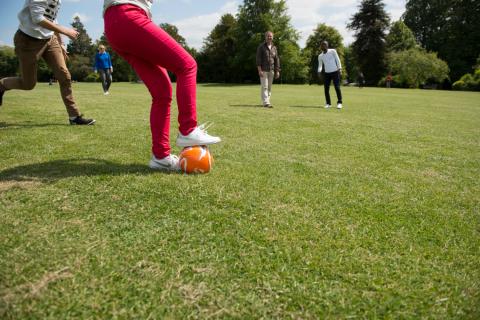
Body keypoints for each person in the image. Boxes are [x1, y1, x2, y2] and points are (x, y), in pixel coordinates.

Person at [103, 0, 221, 171]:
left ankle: (160, 157)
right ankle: (188, 129)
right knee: (187, 65)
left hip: (114, 26)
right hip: (127, 15)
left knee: (162, 91)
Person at [0, 0, 95, 125]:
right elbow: (38, 18)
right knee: (28, 84)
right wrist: (65, 31)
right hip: (28, 40)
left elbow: (51, 19)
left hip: (50, 39)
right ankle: (1, 85)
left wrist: (61, 43)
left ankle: (74, 117)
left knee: (64, 75)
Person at [256, 31, 280, 108]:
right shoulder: (261, 47)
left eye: (271, 36)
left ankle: (267, 101)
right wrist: (259, 70)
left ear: (272, 37)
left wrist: (277, 71)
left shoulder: (274, 48)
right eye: (268, 36)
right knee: (265, 86)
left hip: (272, 70)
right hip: (263, 70)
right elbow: (258, 59)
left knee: (269, 87)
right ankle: (266, 102)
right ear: (265, 37)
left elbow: (277, 60)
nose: (269, 37)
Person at [317, 41, 343, 109]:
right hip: (327, 73)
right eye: (322, 45)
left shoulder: (333, 51)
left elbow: (337, 59)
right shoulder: (320, 56)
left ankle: (339, 103)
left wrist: (340, 68)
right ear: (321, 47)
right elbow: (320, 66)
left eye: (325, 45)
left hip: (335, 72)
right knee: (326, 89)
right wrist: (319, 72)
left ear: (327, 45)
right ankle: (328, 103)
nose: (323, 46)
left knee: (337, 87)